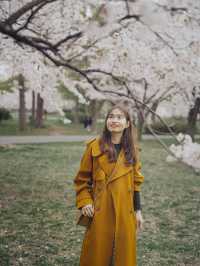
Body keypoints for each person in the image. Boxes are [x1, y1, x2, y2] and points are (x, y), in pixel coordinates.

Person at [74, 104, 145, 266]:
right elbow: (82, 180)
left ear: (127, 123)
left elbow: (136, 183)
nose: (114, 120)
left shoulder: (133, 150)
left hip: (125, 212)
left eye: (119, 117)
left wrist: (138, 211)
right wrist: (85, 202)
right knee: (97, 257)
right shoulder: (94, 147)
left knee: (122, 258)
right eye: (111, 116)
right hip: (100, 212)